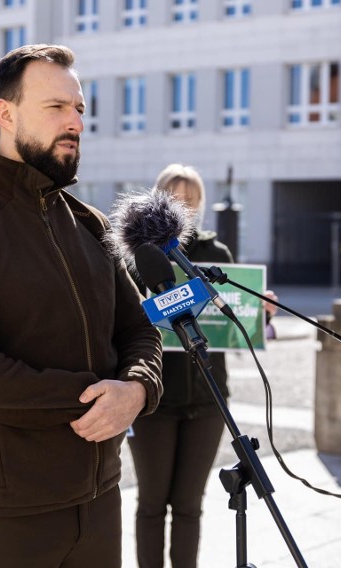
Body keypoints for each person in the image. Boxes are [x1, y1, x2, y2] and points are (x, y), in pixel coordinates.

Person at [0, 44, 162, 567]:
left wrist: (138, 388)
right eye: (56, 108)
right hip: (5, 513)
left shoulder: (91, 224)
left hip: (99, 503)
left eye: (79, 109)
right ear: (6, 112)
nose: (75, 123)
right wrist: (91, 399)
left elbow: (141, 330)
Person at [127, 164, 277, 568]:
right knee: (152, 503)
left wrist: (261, 313)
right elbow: (124, 322)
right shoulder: (137, 257)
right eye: (174, 196)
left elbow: (236, 319)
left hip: (209, 399)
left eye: (190, 198)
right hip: (153, 399)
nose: (183, 205)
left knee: (190, 506)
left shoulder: (216, 253)